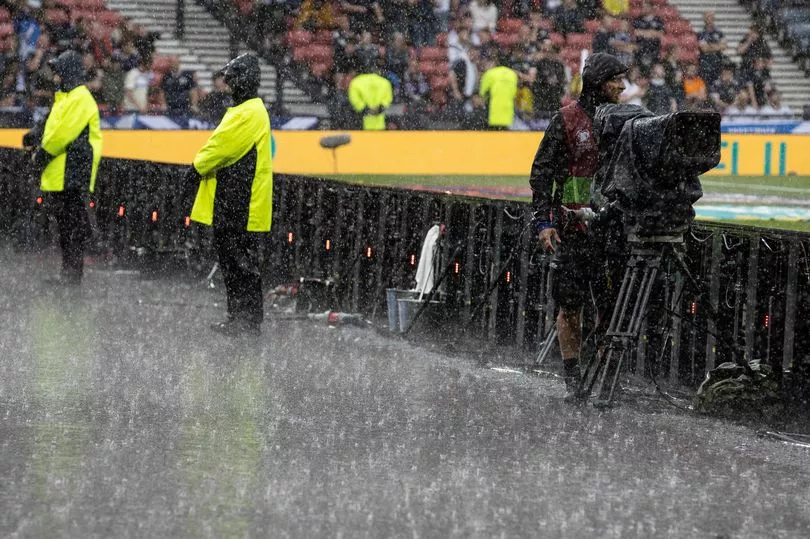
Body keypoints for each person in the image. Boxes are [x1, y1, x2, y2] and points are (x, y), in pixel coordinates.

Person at [528, 52, 627, 400]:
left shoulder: (626, 121)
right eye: (617, 79)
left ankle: (605, 381)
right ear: (600, 82)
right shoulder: (567, 120)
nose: (623, 86)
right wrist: (543, 222)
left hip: (614, 232)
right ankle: (573, 380)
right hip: (573, 232)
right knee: (570, 305)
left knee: (612, 308)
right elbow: (540, 175)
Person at [184, 53, 273, 336]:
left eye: (232, 78)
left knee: (239, 261)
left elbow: (221, 146)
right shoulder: (246, 109)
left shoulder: (249, 112)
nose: (228, 84)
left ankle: (248, 320)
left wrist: (196, 168)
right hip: (232, 198)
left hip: (240, 200)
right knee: (232, 261)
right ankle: (239, 318)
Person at [24, 49, 102, 285]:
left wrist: (41, 156)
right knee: (67, 226)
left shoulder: (80, 97)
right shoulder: (67, 97)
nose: (55, 75)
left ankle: (72, 274)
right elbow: (50, 124)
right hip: (63, 174)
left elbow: (62, 135)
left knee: (72, 226)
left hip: (73, 173)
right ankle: (68, 273)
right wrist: (33, 137)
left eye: (58, 70)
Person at [347, 63, 393, 130]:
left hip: (361, 122)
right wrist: (379, 108)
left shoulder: (355, 82)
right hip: (380, 123)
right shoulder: (385, 82)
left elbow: (354, 99)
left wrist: (366, 109)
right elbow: (388, 99)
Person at [478, 55, 518, 130]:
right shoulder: (513, 74)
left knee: (492, 135)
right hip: (507, 109)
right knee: (504, 135)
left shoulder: (490, 73)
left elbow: (482, 91)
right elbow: (513, 93)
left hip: (493, 110)